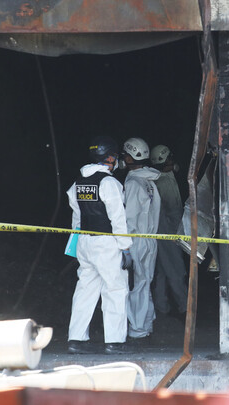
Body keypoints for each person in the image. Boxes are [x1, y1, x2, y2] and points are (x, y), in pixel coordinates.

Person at [66, 136, 132, 354]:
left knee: (85, 290)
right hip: (107, 243)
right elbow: (118, 219)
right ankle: (114, 341)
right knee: (115, 289)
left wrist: (75, 245)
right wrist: (125, 247)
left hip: (85, 241)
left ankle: (76, 339)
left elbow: (77, 217)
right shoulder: (109, 183)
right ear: (110, 158)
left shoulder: (78, 182)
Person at [122, 137, 161, 340]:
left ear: (130, 157)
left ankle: (137, 330)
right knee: (145, 283)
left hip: (136, 240)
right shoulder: (150, 182)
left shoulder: (134, 183)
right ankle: (146, 325)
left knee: (137, 285)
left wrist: (124, 245)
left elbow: (130, 218)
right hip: (150, 240)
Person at [150, 145, 188, 318]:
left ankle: (161, 306)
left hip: (161, 231)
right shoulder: (163, 182)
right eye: (170, 159)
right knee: (176, 269)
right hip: (169, 230)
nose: (173, 161)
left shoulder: (162, 177)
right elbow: (174, 210)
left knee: (163, 271)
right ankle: (184, 306)